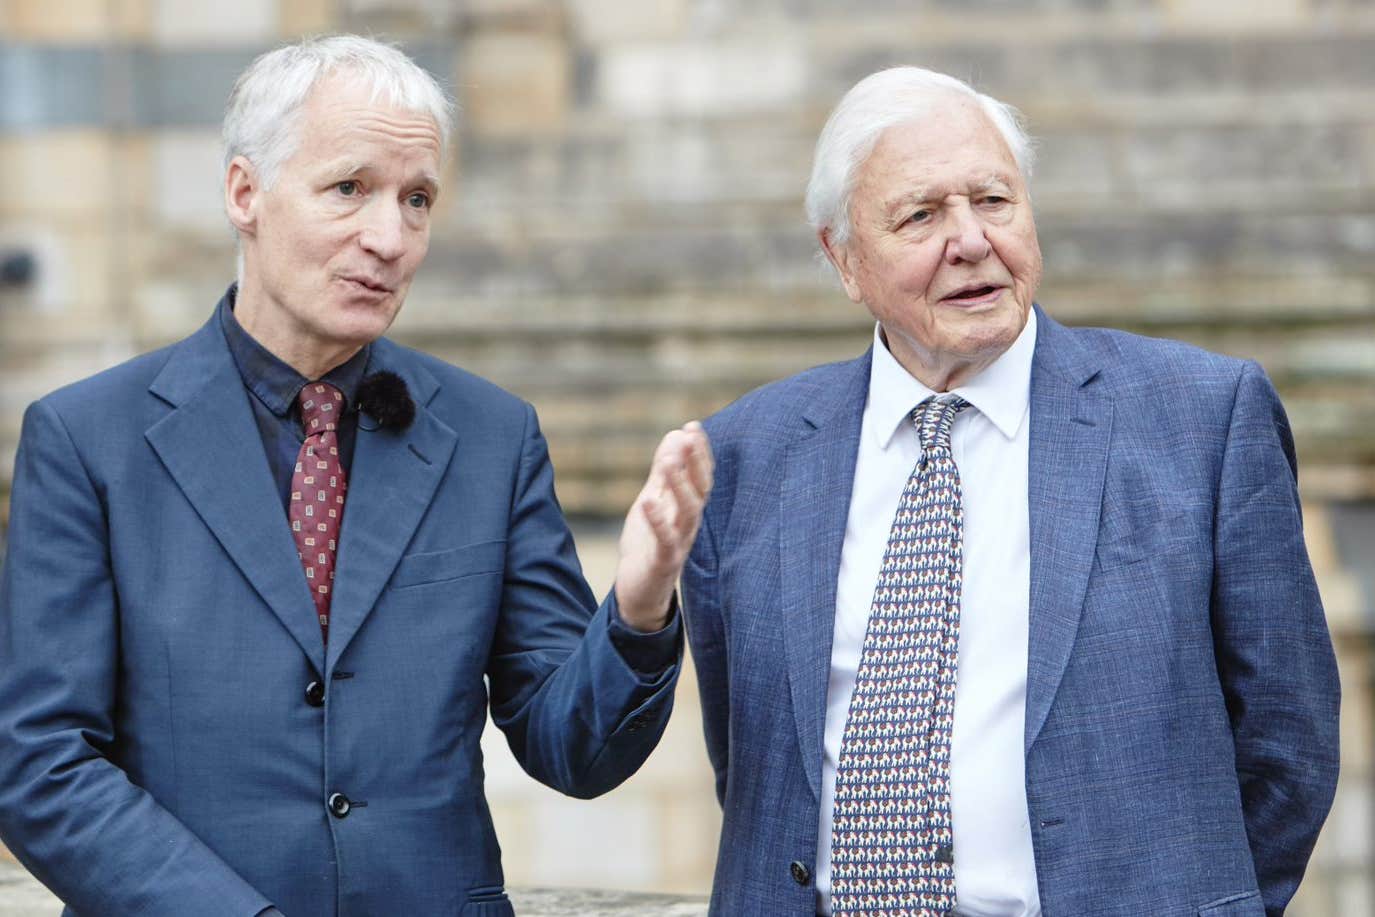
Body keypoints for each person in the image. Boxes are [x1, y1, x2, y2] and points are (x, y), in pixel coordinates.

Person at [0, 35, 712, 917]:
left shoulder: (493, 436)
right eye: (350, 189)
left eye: (417, 200)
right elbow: (41, 763)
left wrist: (638, 610)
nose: (391, 237)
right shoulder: (87, 440)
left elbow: (573, 749)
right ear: (244, 193)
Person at [680, 66, 1339, 917]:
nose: (969, 241)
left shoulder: (1201, 417)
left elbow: (1289, 737)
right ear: (842, 259)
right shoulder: (744, 453)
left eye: (992, 200)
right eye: (920, 215)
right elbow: (754, 762)